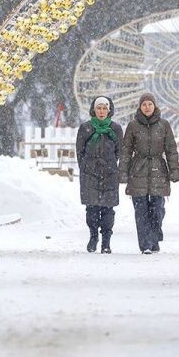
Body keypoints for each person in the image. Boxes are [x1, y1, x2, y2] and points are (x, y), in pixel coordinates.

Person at [119, 93, 179, 254]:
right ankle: (145, 244)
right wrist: (123, 172)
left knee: (157, 209)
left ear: (155, 106)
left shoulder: (164, 125)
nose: (147, 107)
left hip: (159, 170)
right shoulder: (133, 126)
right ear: (140, 107)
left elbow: (171, 149)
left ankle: (154, 236)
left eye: (150, 104)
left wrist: (174, 170)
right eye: (144, 104)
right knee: (141, 211)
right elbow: (126, 151)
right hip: (138, 170)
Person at [76, 95, 122, 253]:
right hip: (90, 174)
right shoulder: (85, 128)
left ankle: (106, 242)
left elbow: (119, 151)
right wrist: (86, 166)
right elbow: (80, 151)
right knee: (92, 209)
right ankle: (93, 236)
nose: (101, 111)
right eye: (99, 108)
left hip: (110, 174)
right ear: (94, 110)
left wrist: (109, 164)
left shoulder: (115, 129)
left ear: (109, 110)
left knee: (108, 209)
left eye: (104, 108)